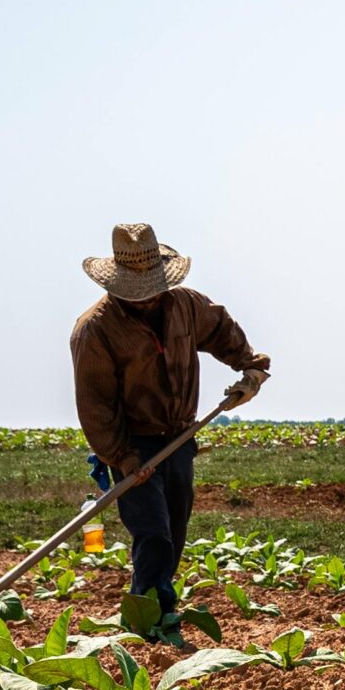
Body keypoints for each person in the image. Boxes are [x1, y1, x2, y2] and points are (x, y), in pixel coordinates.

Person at [70, 224, 270, 644]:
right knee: (153, 530)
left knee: (174, 529)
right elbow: (96, 406)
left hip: (179, 437)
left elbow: (222, 332)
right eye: (138, 291)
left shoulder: (185, 306)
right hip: (133, 444)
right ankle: (152, 615)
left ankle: (154, 606)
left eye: (154, 287)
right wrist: (123, 457)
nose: (149, 297)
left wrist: (250, 368)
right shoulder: (96, 330)